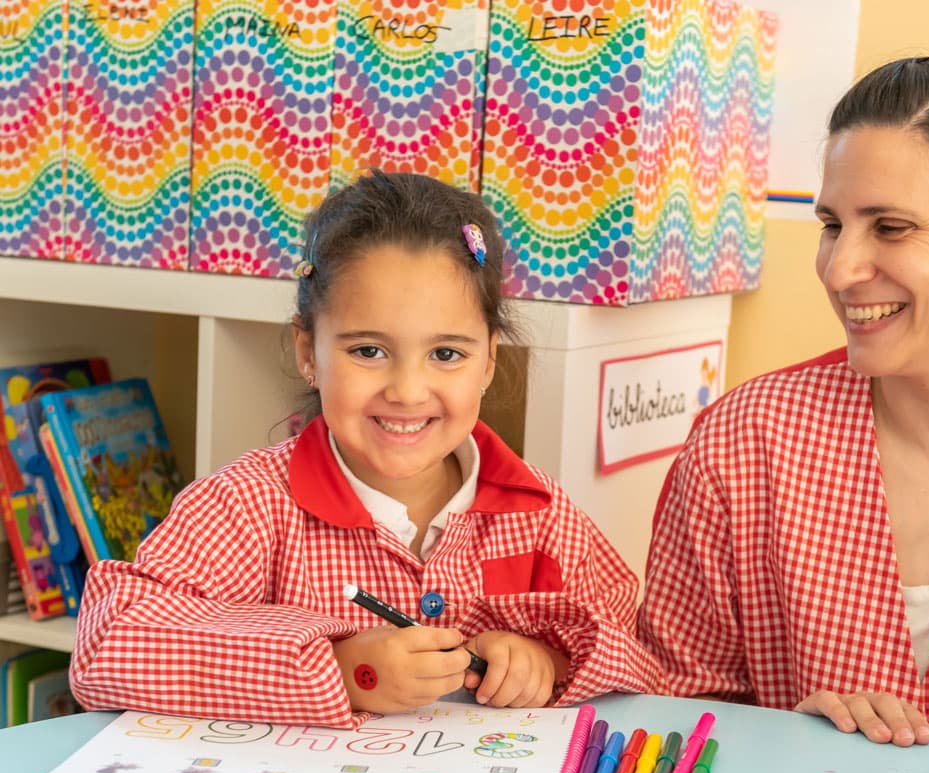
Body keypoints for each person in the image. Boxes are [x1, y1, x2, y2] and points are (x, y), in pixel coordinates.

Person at [70, 170, 664, 725]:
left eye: (447, 354)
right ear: (309, 354)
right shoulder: (246, 507)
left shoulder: (541, 513)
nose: (407, 391)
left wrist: (549, 662)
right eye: (368, 351)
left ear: (489, 361)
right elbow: (107, 647)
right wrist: (341, 669)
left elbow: (641, 659)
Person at [638, 55, 929, 756]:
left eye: (892, 228)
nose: (841, 269)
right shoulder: (744, 443)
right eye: (832, 224)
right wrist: (778, 740)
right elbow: (672, 720)